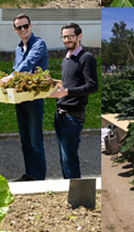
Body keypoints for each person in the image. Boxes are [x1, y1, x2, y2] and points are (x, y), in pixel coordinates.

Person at [50, 23, 98, 179]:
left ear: (79, 36)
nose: (67, 39)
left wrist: (67, 92)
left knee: (69, 159)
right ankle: (70, 190)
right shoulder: (67, 59)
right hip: (61, 115)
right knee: (64, 158)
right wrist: (54, 84)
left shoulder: (86, 58)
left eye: (70, 36)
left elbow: (92, 86)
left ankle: (77, 195)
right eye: (64, 36)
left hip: (73, 116)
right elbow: (69, 84)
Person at [5, 13, 48, 181]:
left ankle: (39, 177)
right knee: (25, 139)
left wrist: (12, 75)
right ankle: (29, 173)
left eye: (25, 26)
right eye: (18, 27)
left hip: (34, 98)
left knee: (36, 140)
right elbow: (18, 66)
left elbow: (28, 63)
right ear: (15, 30)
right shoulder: (18, 48)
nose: (22, 29)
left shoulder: (39, 44)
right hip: (20, 98)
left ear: (31, 26)